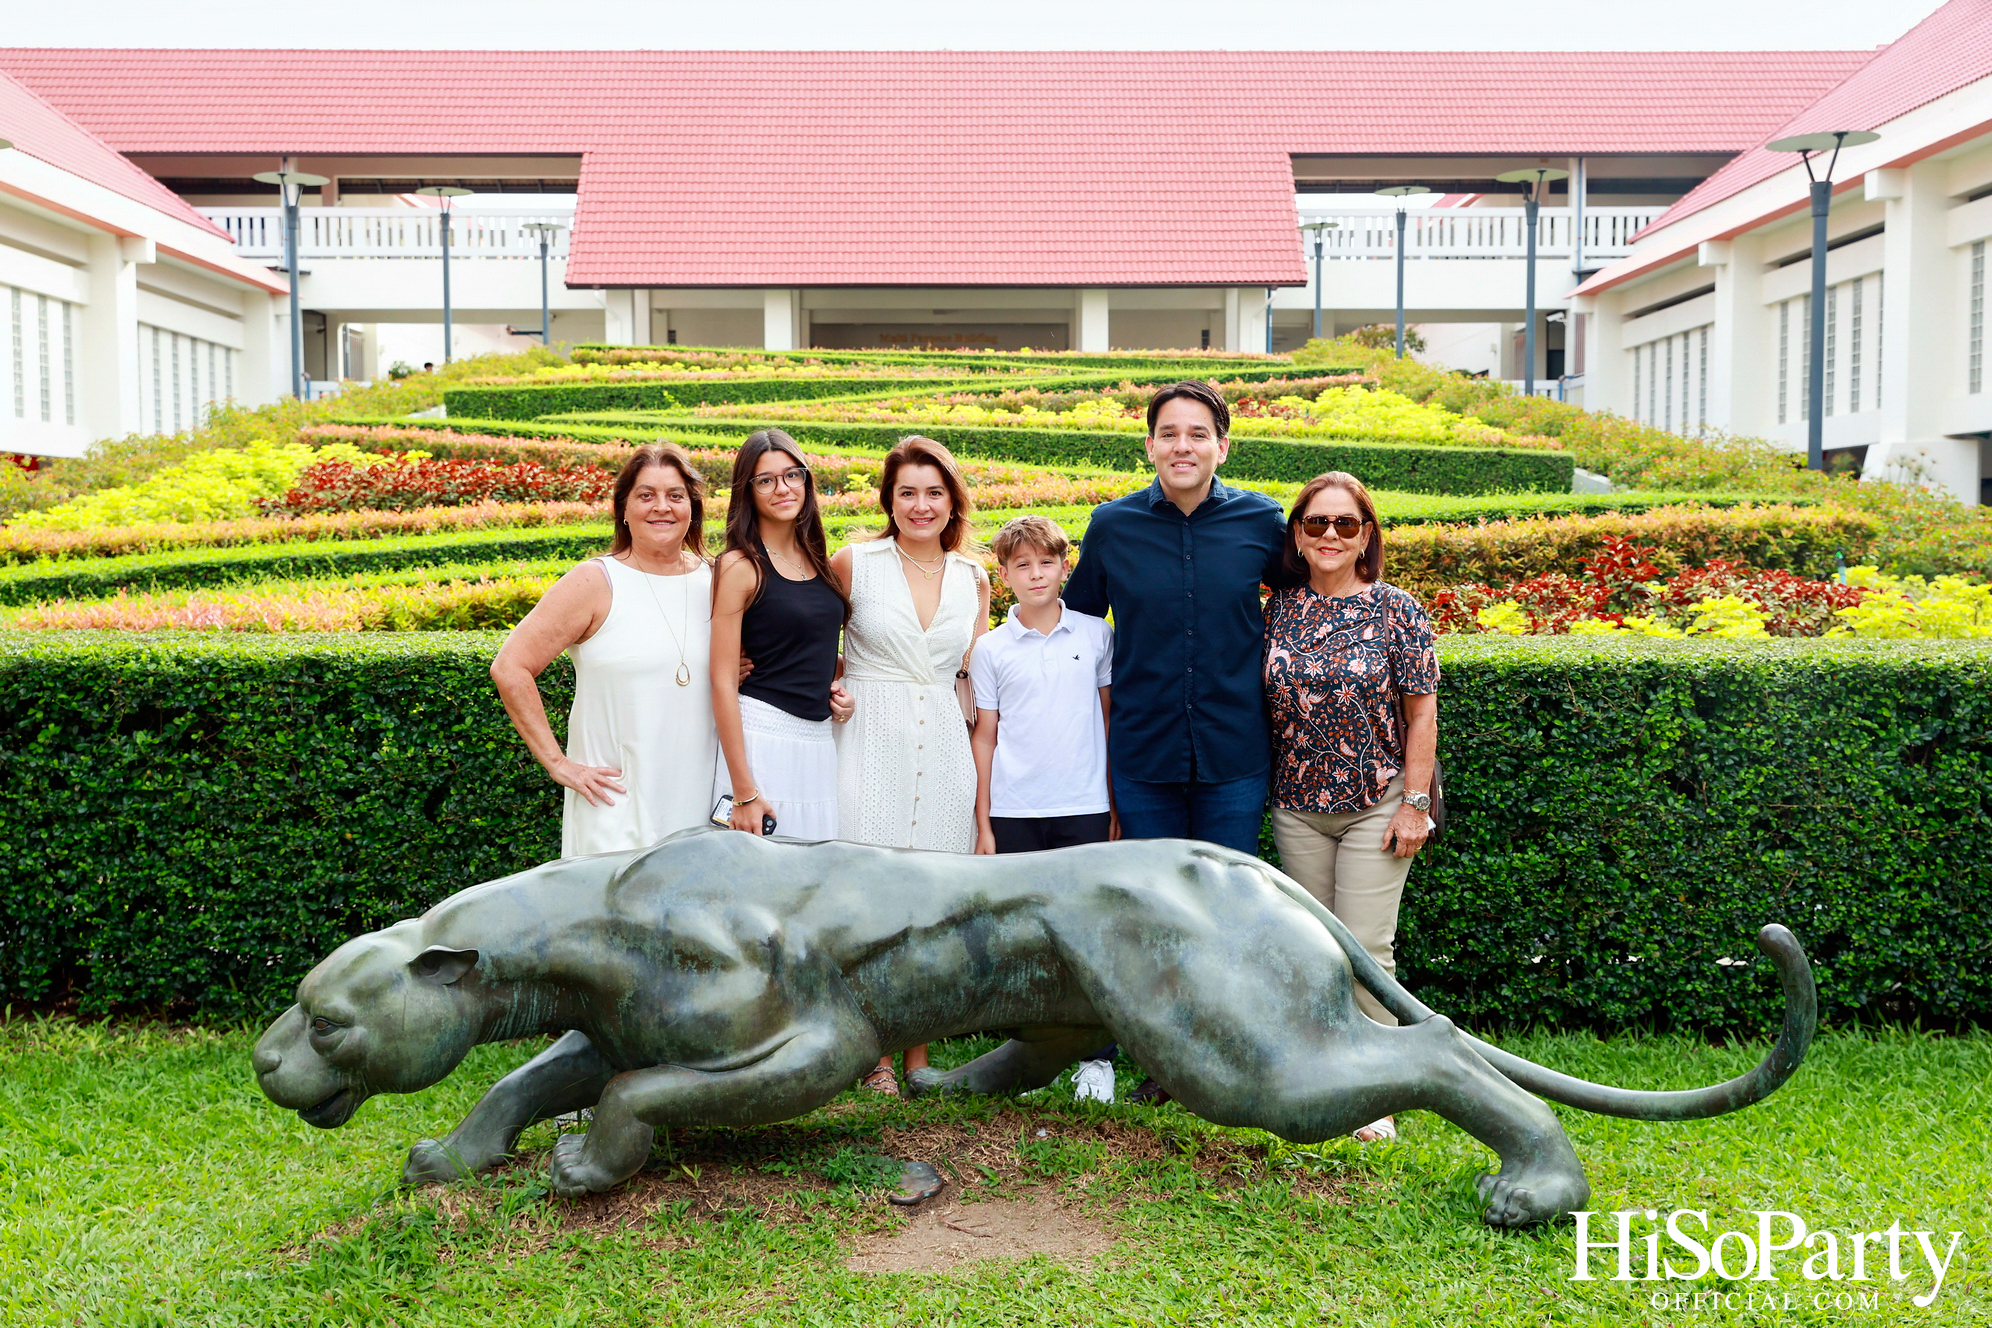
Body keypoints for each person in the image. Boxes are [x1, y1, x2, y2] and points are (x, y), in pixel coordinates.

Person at [1264, 471, 1439, 1144]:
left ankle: (1374, 1092)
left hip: (1377, 802)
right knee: (1312, 949)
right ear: (1298, 536)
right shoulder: (1278, 608)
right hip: (1298, 805)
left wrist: (1415, 805)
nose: (1330, 535)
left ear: (1366, 535)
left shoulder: (1399, 611)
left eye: (1345, 524)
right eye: (1316, 524)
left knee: (1366, 946)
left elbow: (1421, 716)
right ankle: (1316, 1074)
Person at [1064, 379, 1293, 855]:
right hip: (1143, 756)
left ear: (1222, 447)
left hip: (1235, 754)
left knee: (1228, 902)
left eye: (1198, 434)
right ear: (1150, 446)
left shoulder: (1261, 520)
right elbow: (1075, 627)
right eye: (1168, 434)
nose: (1182, 447)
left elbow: (1302, 605)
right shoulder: (1111, 526)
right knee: (1151, 910)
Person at [832, 435, 990, 1096]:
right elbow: (808, 640)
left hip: (946, 743)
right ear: (888, 500)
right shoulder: (853, 564)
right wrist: (825, 684)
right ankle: (870, 1057)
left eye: (934, 492)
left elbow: (978, 675)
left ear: (952, 499)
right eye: (907, 493)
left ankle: (918, 1055)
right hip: (869, 733)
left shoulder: (973, 577)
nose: (921, 505)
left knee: (931, 900)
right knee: (868, 899)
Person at [491, 444, 719, 857]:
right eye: (646, 495)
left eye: (675, 495)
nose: (661, 507)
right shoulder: (595, 581)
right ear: (624, 509)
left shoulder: (718, 578)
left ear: (693, 508)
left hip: (700, 805)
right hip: (615, 805)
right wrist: (559, 764)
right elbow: (511, 667)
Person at [969, 513, 1119, 1102]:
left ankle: (1097, 1059)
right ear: (1004, 575)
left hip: (1084, 803)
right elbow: (985, 735)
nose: (1036, 574)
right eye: (1022, 565)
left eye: (1047, 562)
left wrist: (1112, 801)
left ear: (1065, 566)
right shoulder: (991, 649)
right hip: (1013, 810)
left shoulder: (1095, 634)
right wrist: (983, 823)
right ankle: (1034, 1059)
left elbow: (1110, 720)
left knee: (1088, 932)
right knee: (1025, 939)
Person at [710, 429, 852, 842]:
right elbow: (721, 682)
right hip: (761, 740)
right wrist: (743, 790)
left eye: (793, 475)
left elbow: (805, 647)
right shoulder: (739, 566)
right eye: (765, 480)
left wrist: (836, 684)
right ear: (748, 492)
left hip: (817, 743)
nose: (782, 488)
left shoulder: (819, 560)